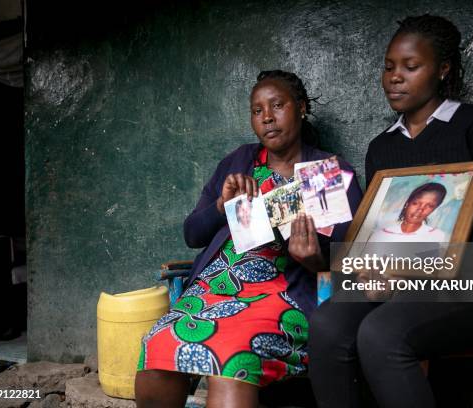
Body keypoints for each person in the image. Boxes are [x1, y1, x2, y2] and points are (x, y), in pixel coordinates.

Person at [308, 15, 473, 408]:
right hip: (401, 285)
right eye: (389, 67)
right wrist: (364, 266)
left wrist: (421, 269)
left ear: (442, 70)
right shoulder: (382, 148)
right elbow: (379, 238)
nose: (395, 77)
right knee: (326, 325)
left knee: (381, 333)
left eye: (411, 67)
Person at [135, 69, 363, 408]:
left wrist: (314, 260)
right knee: (157, 344)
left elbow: (351, 264)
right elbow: (192, 234)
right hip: (213, 291)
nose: (267, 117)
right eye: (257, 110)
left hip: (283, 294)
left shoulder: (326, 172)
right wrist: (219, 206)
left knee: (231, 357)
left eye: (278, 105)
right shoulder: (240, 161)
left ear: (301, 107)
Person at [369, 182, 447, 242]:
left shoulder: (438, 236)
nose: (420, 209)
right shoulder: (381, 234)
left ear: (434, 209)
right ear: (407, 204)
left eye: (429, 206)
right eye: (415, 203)